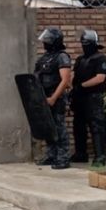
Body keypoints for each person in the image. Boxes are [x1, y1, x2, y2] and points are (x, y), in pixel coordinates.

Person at [34, 27, 72, 169]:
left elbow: (65, 80)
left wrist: (54, 98)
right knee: (48, 128)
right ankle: (51, 155)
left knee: (59, 127)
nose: (45, 42)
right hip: (44, 98)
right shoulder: (44, 58)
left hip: (57, 98)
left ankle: (63, 158)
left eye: (47, 40)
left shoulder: (62, 56)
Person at [71, 29, 106, 167]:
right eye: (83, 44)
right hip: (80, 97)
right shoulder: (80, 59)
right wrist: (73, 89)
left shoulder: (101, 59)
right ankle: (81, 154)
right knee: (78, 126)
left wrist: (82, 86)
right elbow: (74, 76)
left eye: (87, 44)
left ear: (94, 44)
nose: (84, 46)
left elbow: (100, 78)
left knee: (96, 126)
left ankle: (100, 157)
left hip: (94, 97)